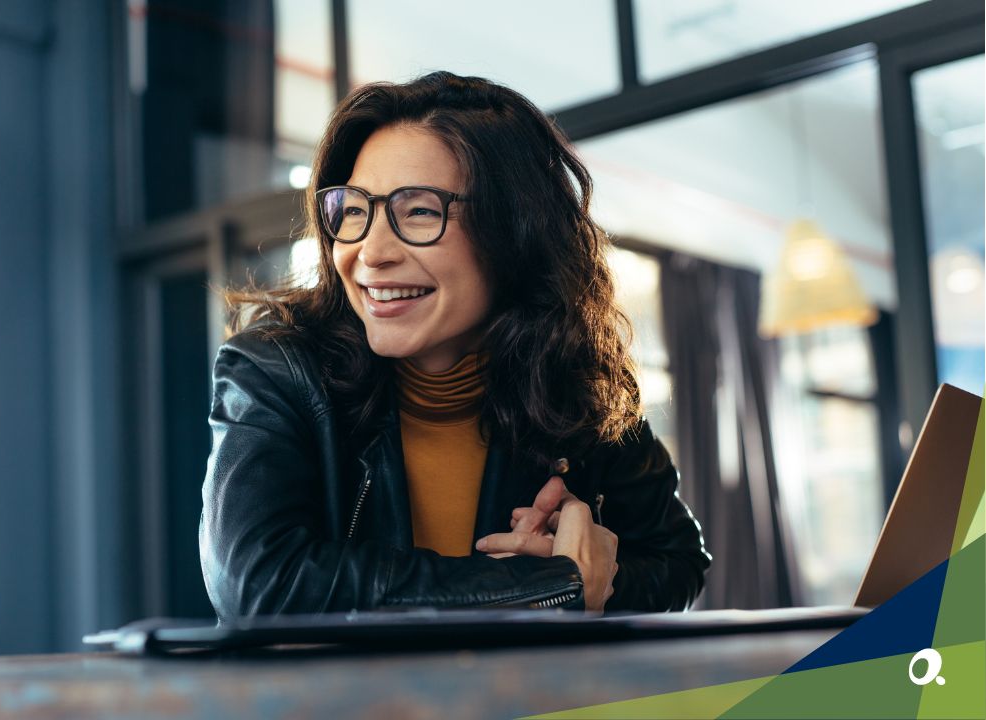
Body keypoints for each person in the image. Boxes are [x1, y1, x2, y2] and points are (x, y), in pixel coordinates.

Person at [200, 71, 710, 620]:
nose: (370, 253)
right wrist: (547, 585)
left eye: (418, 211)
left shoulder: (574, 378)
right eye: (353, 210)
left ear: (515, 230)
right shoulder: (275, 369)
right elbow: (257, 584)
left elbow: (678, 560)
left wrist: (598, 574)